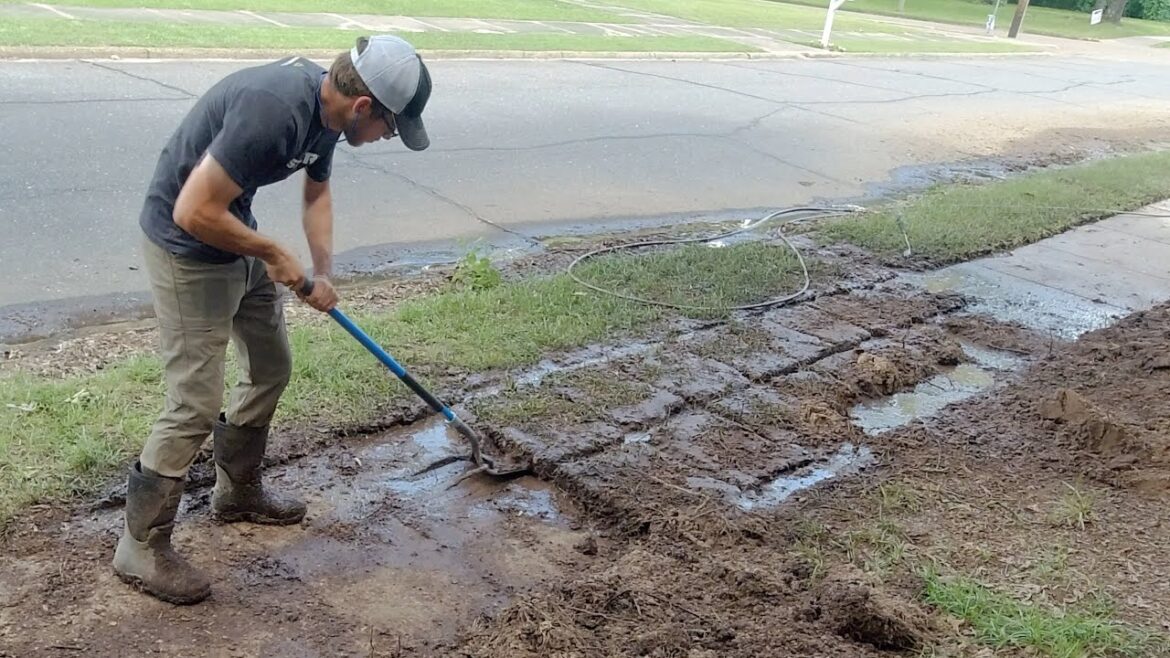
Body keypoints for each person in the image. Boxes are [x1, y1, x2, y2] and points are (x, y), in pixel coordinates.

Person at [114, 34, 432, 605]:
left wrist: (323, 271)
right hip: (185, 244)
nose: (386, 137)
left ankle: (236, 492)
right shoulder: (275, 109)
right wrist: (276, 255)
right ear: (364, 107)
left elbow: (316, 194)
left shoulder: (329, 114)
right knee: (193, 399)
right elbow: (192, 210)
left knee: (271, 364)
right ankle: (140, 546)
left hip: (233, 235)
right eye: (389, 127)